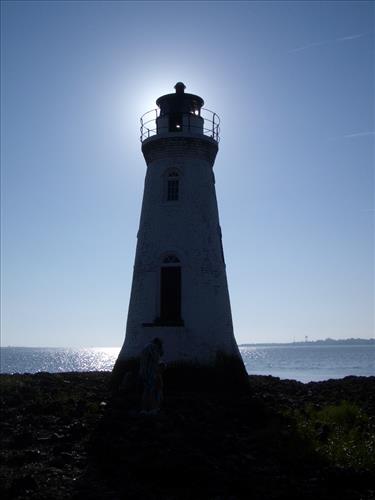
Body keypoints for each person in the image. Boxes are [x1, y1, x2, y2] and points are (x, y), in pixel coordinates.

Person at [139, 338, 164, 414]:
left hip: (143, 372)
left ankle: (144, 409)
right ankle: (152, 409)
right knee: (151, 391)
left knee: (146, 391)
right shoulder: (153, 348)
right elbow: (156, 359)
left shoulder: (146, 347)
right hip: (150, 373)